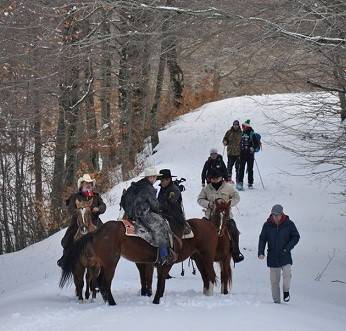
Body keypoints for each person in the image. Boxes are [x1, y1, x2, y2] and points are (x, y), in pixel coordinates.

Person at [124, 166, 175, 266]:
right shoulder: (148, 188)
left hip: (131, 212)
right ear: (149, 177)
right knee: (160, 225)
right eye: (153, 177)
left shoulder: (137, 185)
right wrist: (158, 210)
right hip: (143, 213)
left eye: (154, 177)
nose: (154, 179)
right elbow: (154, 205)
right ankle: (163, 255)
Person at [57, 174, 106, 267]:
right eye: (86, 183)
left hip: (94, 221)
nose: (88, 185)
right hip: (78, 222)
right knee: (67, 239)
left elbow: (103, 206)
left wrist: (98, 209)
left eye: (90, 183)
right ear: (82, 185)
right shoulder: (75, 196)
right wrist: (79, 212)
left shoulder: (96, 196)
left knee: (106, 236)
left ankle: (106, 258)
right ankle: (65, 258)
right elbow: (70, 209)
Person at [197, 168, 244, 263]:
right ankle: (199, 251)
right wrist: (209, 204)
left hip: (226, 216)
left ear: (221, 178)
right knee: (200, 230)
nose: (215, 180)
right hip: (210, 216)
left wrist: (229, 204)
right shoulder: (206, 188)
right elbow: (200, 199)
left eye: (217, 178)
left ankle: (236, 252)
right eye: (213, 178)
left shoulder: (228, 187)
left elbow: (237, 197)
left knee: (234, 230)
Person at [258, 204, 300, 304]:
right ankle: (276, 303)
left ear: (282, 214)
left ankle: (286, 291)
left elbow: (296, 237)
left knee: (287, 276)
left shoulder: (289, 224)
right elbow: (262, 239)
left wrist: (287, 248)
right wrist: (261, 252)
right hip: (273, 256)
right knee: (274, 282)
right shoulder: (267, 225)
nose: (275, 217)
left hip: (285, 255)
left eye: (277, 215)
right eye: (273, 215)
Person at [237, 119, 260, 191]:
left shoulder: (252, 134)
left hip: (250, 154)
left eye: (243, 126)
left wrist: (253, 148)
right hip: (243, 154)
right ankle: (240, 182)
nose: (242, 127)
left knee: (250, 169)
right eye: (242, 126)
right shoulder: (242, 133)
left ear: (247, 126)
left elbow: (256, 144)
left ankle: (250, 183)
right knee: (241, 169)